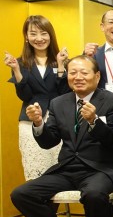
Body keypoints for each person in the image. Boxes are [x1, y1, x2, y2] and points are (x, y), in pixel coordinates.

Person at [10, 55, 113, 217]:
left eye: (84, 73)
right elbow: (49, 142)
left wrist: (94, 121)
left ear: (97, 76)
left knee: (94, 195)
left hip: (101, 168)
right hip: (68, 168)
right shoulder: (58, 102)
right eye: (73, 73)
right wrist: (38, 124)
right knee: (22, 194)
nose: (78, 77)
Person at [5, 15, 68, 180]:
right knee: (36, 170)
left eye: (43, 33)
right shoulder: (20, 63)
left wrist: (61, 66)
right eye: (33, 34)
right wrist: (16, 70)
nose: (39, 38)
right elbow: (24, 96)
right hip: (30, 121)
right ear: (26, 37)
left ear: (50, 35)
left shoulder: (62, 60)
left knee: (60, 169)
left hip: (58, 120)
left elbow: (65, 93)